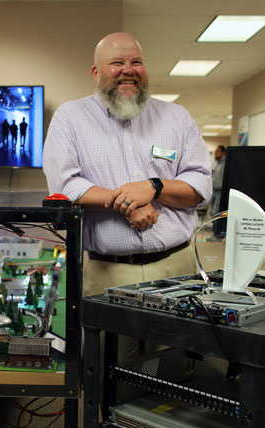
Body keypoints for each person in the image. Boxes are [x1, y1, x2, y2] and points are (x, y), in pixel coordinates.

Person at [43, 31, 211, 299]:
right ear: (96, 72)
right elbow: (66, 185)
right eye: (117, 63)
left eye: (136, 62)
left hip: (178, 268)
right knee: (107, 343)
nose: (128, 71)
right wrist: (128, 202)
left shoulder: (177, 117)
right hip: (106, 272)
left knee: (175, 343)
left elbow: (200, 185)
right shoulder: (70, 118)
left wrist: (153, 187)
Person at [206, 145, 226, 241]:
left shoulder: (225, 163)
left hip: (221, 191)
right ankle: (215, 234)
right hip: (214, 191)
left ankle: (218, 235)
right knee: (213, 213)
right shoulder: (216, 163)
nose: (216, 153)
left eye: (218, 151)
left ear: (223, 152)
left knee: (217, 213)